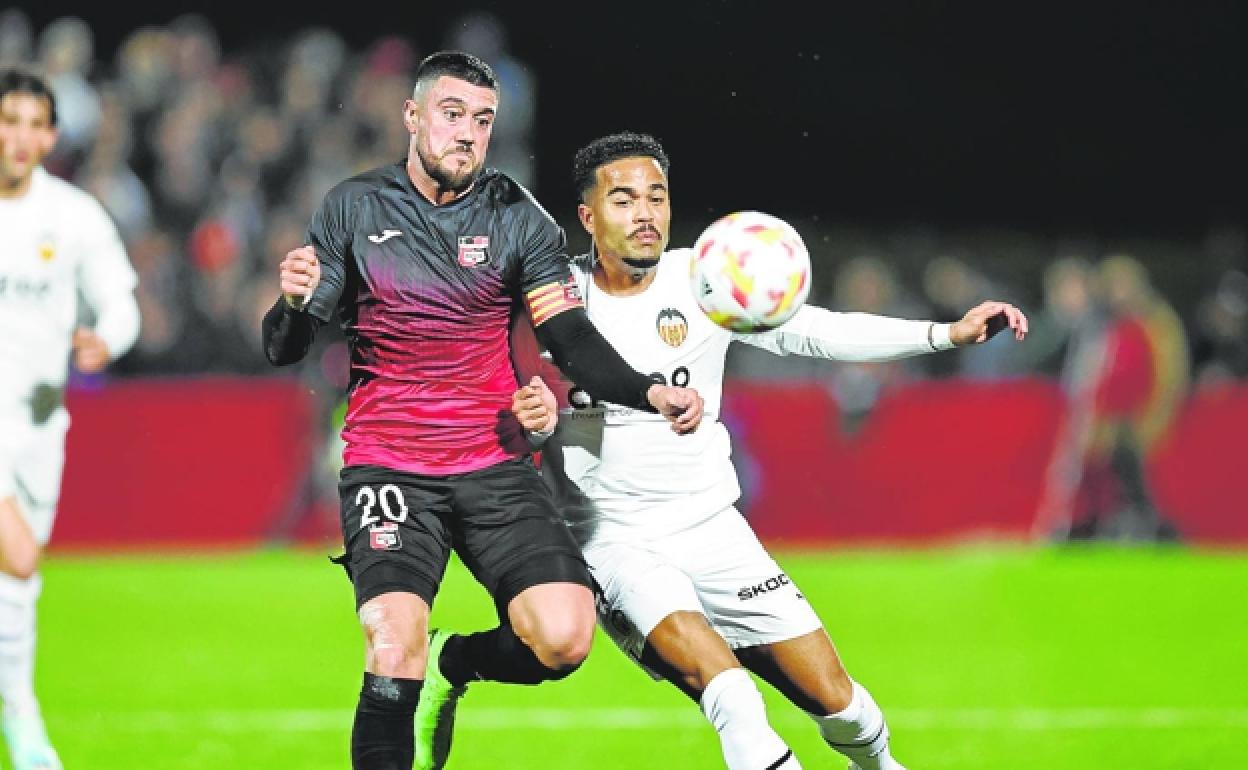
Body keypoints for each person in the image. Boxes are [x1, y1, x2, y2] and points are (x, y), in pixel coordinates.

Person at [512, 131, 1028, 770]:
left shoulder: (703, 278)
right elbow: (508, 410)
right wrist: (531, 427)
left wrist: (945, 333)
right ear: (588, 216)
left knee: (847, 710)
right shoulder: (551, 301)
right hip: (615, 540)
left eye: (657, 197)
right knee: (734, 699)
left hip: (714, 530)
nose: (644, 214)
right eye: (623, 201)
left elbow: (815, 333)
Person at [260, 53, 703, 770]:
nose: (468, 133)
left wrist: (650, 390)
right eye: (453, 113)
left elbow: (570, 336)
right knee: (391, 641)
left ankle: (455, 664)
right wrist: (289, 302)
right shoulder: (352, 207)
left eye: (484, 120)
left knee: (564, 638)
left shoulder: (517, 217)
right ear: (413, 117)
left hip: (495, 461)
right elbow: (286, 347)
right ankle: (417, 665)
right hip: (390, 466)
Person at [0, 66, 140, 770]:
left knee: (17, 580)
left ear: (51, 134)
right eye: (8, 120)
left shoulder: (75, 216)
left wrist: (105, 340)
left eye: (33, 123)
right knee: (15, 554)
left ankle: (17, 716)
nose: (19, 137)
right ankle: (23, 722)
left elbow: (122, 302)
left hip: (40, 423)